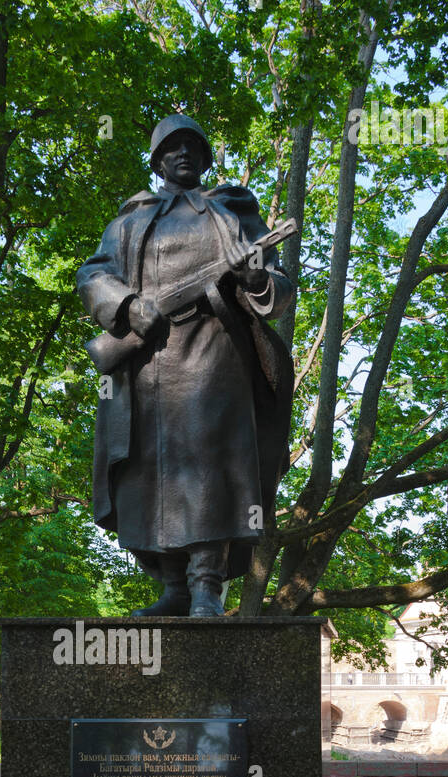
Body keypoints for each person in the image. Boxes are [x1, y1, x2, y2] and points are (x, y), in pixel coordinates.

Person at [77, 114, 295, 616]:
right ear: (156, 160)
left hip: (214, 359)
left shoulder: (232, 212)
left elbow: (278, 288)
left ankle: (205, 587)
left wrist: (252, 275)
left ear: (204, 157)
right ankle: (173, 587)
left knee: (211, 469)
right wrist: (129, 306)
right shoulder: (129, 220)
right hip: (145, 366)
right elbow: (94, 275)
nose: (183, 154)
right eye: (172, 147)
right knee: (146, 474)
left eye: (192, 146)